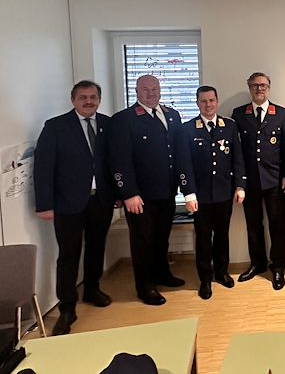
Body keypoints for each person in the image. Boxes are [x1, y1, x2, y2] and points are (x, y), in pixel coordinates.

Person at [34, 80, 116, 335]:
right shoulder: (55, 127)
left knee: (96, 248)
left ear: (99, 99)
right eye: (83, 97)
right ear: (73, 100)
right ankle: (67, 308)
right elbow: (43, 167)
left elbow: (115, 162)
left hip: (101, 200)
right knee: (68, 255)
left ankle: (92, 289)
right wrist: (45, 205)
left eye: (93, 97)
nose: (89, 101)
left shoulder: (108, 124)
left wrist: (118, 194)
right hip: (67, 203)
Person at [110, 74, 184, 305]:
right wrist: (128, 193)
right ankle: (145, 287)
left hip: (167, 191)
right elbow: (119, 160)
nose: (151, 93)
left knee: (162, 237)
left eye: (155, 89)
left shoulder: (172, 115)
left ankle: (162, 274)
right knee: (142, 241)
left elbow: (177, 152)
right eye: (145, 89)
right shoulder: (124, 119)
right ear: (136, 91)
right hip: (140, 196)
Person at [177, 86, 246, 299]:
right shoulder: (188, 129)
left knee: (222, 235)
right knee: (204, 238)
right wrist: (188, 193)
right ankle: (205, 278)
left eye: (211, 100)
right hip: (201, 196)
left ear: (217, 101)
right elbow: (184, 164)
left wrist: (240, 186)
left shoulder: (229, 126)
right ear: (197, 103)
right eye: (204, 101)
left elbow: (238, 158)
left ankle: (221, 272)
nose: (208, 105)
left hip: (224, 192)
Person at [232, 72, 285, 290]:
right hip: (250, 181)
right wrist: (240, 182)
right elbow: (237, 152)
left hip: (274, 180)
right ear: (249, 88)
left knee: (277, 226)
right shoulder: (239, 114)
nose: (259, 89)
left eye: (263, 85)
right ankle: (257, 264)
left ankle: (278, 267)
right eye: (255, 85)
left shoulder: (282, 114)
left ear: (269, 87)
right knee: (253, 225)